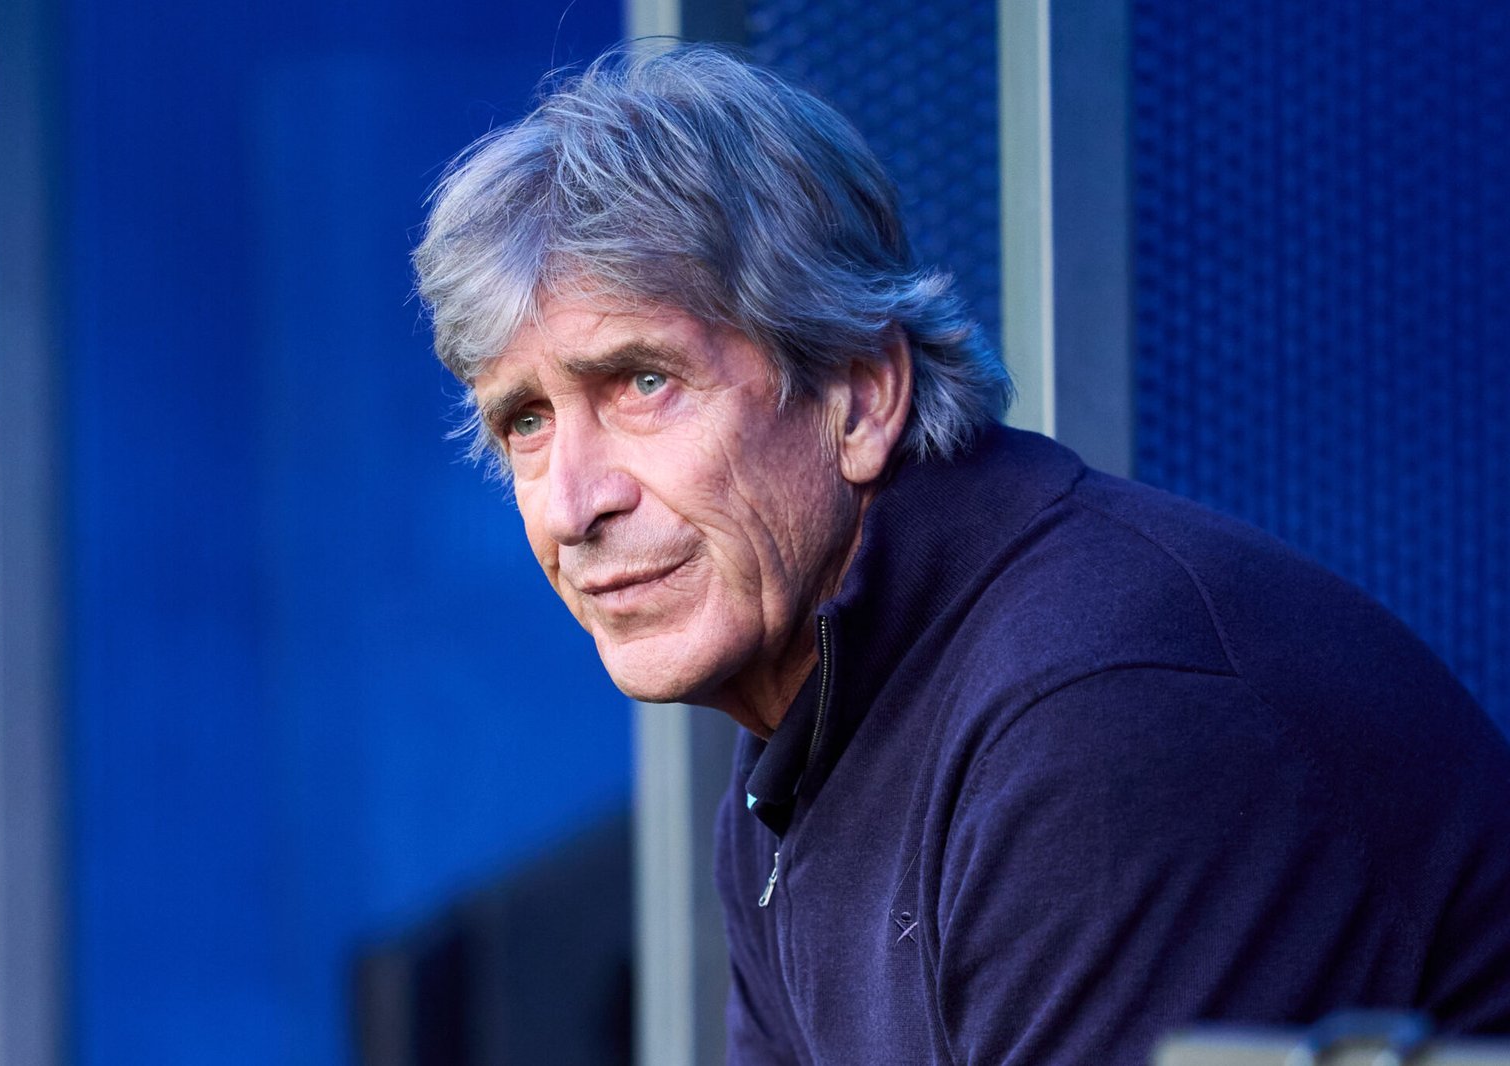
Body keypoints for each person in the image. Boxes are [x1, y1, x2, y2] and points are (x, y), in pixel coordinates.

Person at [412, 44, 1510, 1065]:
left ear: (861, 395)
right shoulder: (794, 754)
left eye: (643, 383)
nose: (573, 501)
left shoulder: (1099, 712)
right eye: (525, 422)